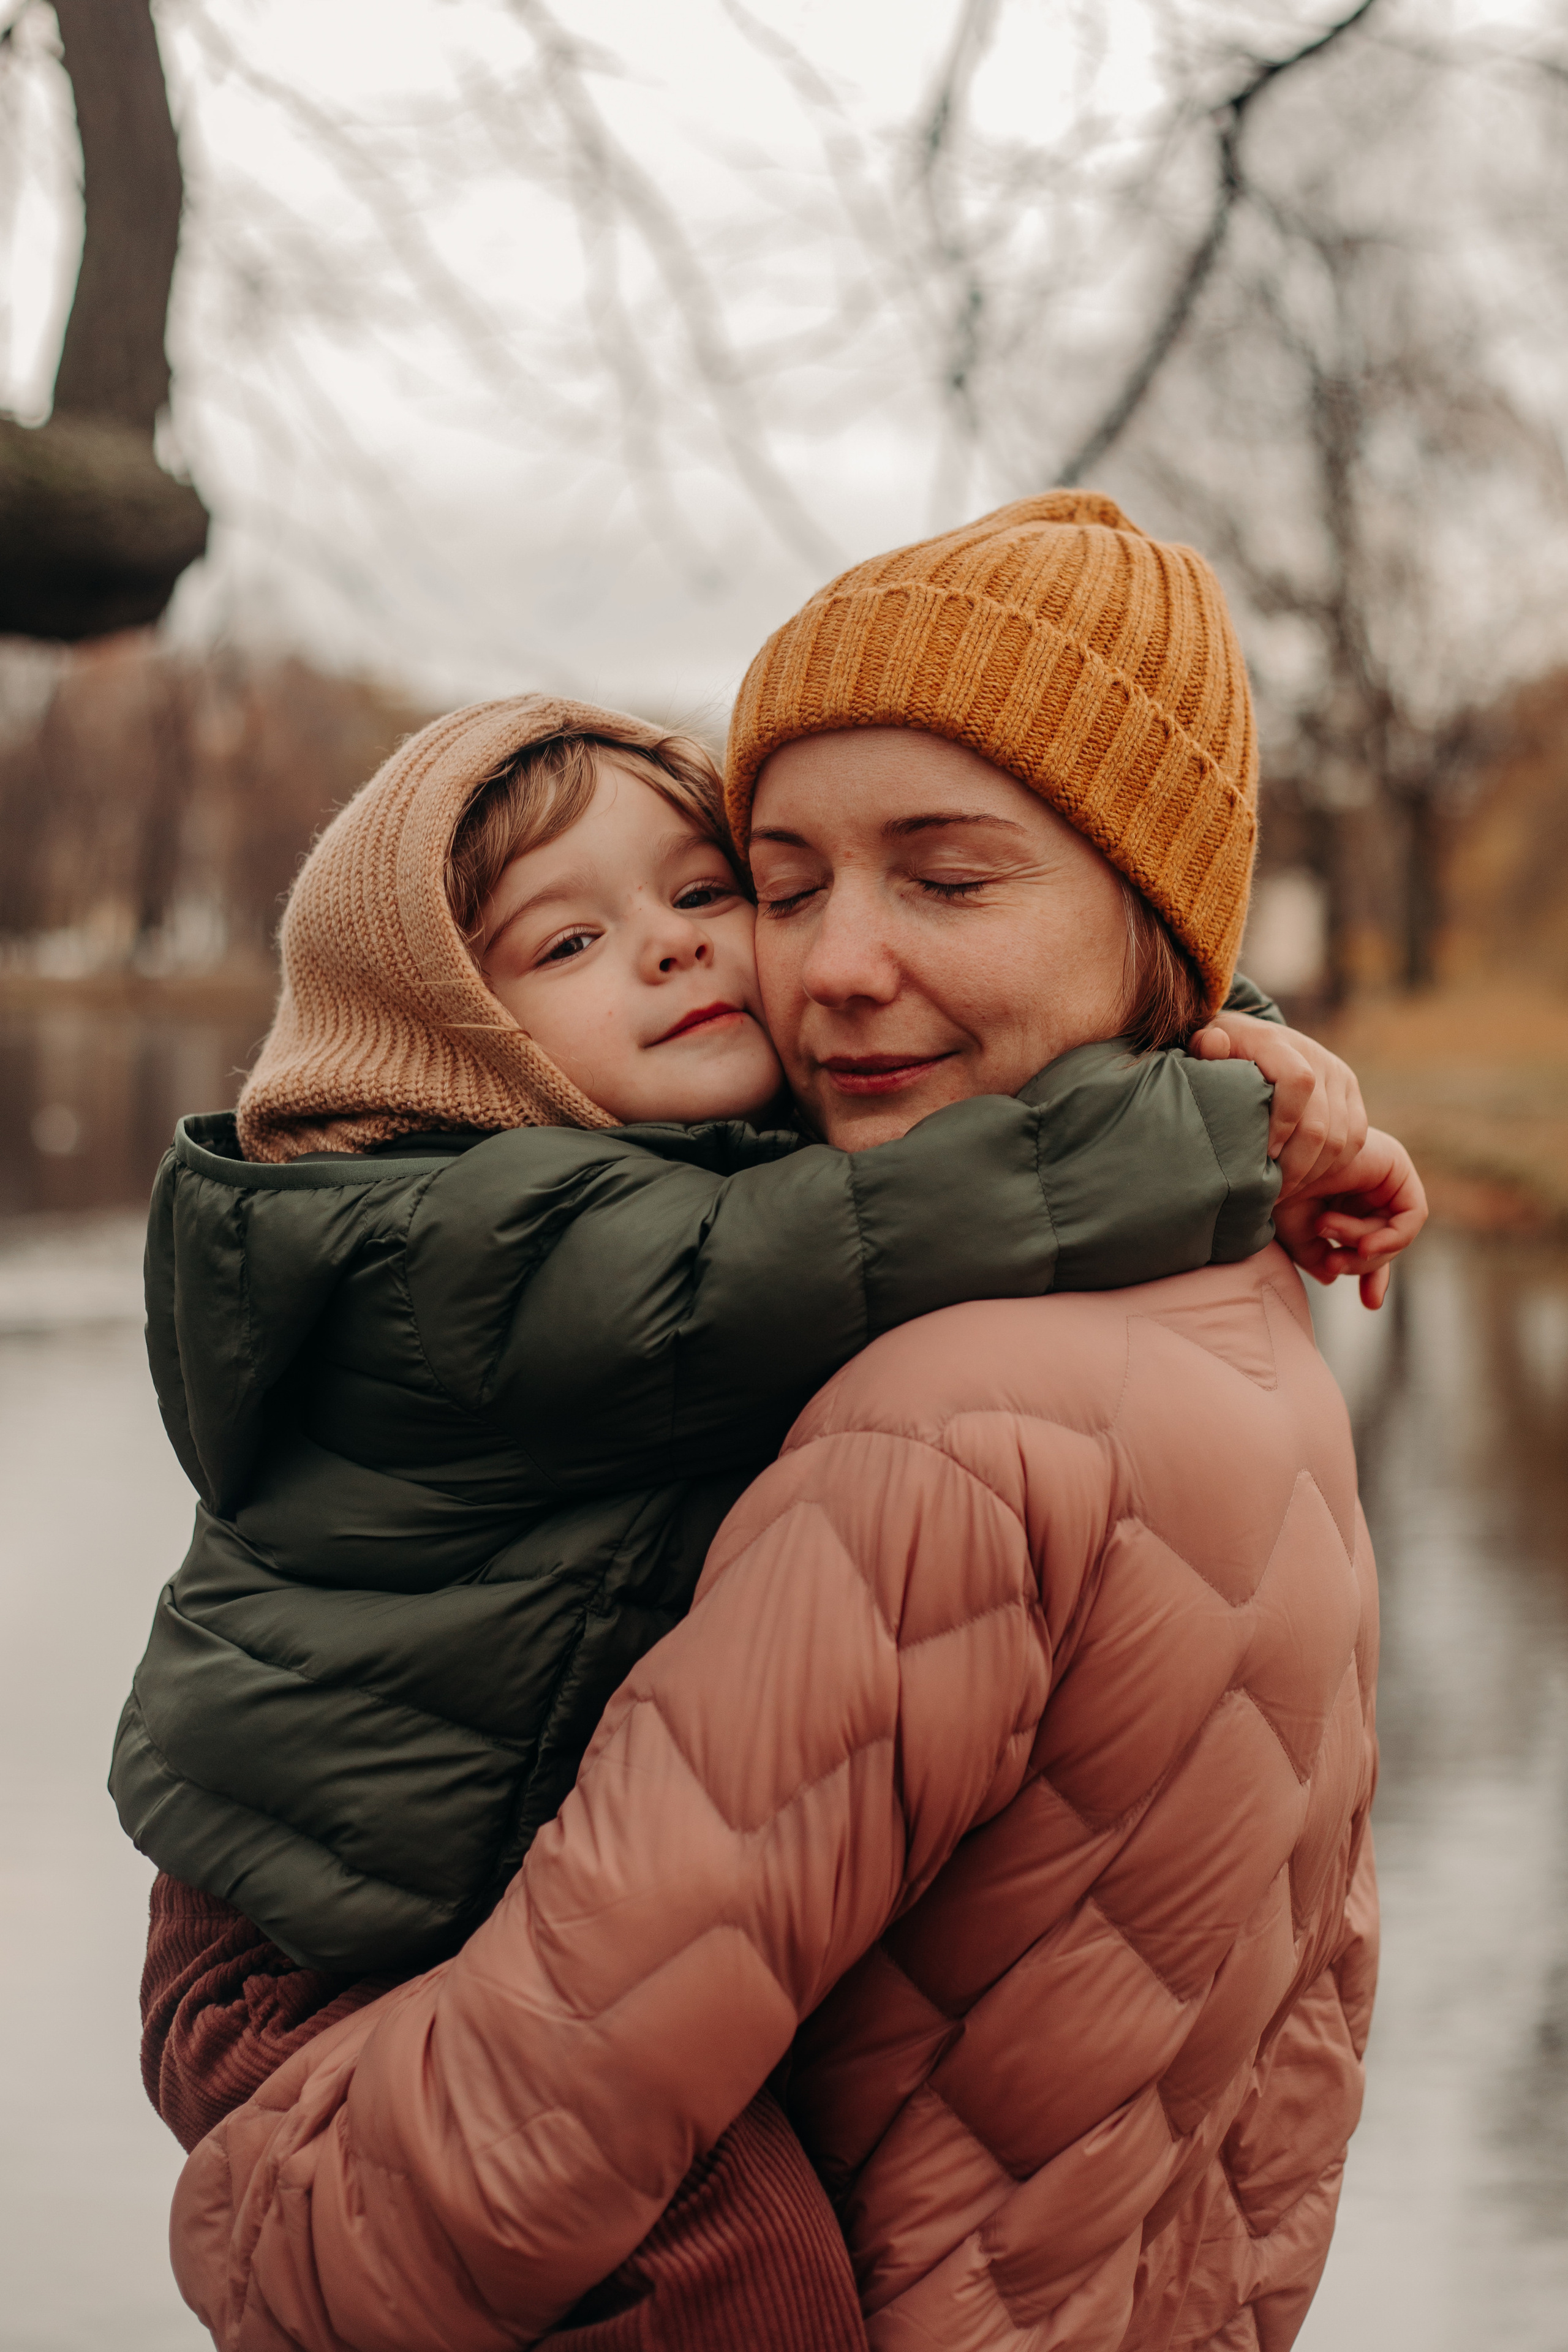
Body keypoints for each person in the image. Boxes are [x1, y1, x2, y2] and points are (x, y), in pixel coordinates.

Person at [161, 494, 1408, 2351]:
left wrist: (255, 2210)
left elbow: (482, 2179)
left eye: (946, 877)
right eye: (792, 878)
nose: (817, 968)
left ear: (1156, 918)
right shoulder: (1231, 1330)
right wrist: (1261, 1103)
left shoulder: (953, 1417)